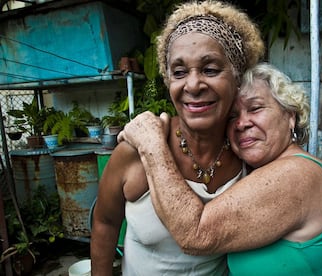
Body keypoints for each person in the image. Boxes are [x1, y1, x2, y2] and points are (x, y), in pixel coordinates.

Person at [119, 62, 322, 275]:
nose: (242, 123)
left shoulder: (298, 174)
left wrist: (151, 144)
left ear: (290, 116)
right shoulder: (254, 171)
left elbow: (196, 234)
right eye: (232, 116)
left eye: (255, 108)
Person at [90, 0, 265, 275]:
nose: (193, 85)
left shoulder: (251, 154)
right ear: (168, 80)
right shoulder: (136, 150)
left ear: (237, 78)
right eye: (180, 72)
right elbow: (105, 222)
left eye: (210, 69)